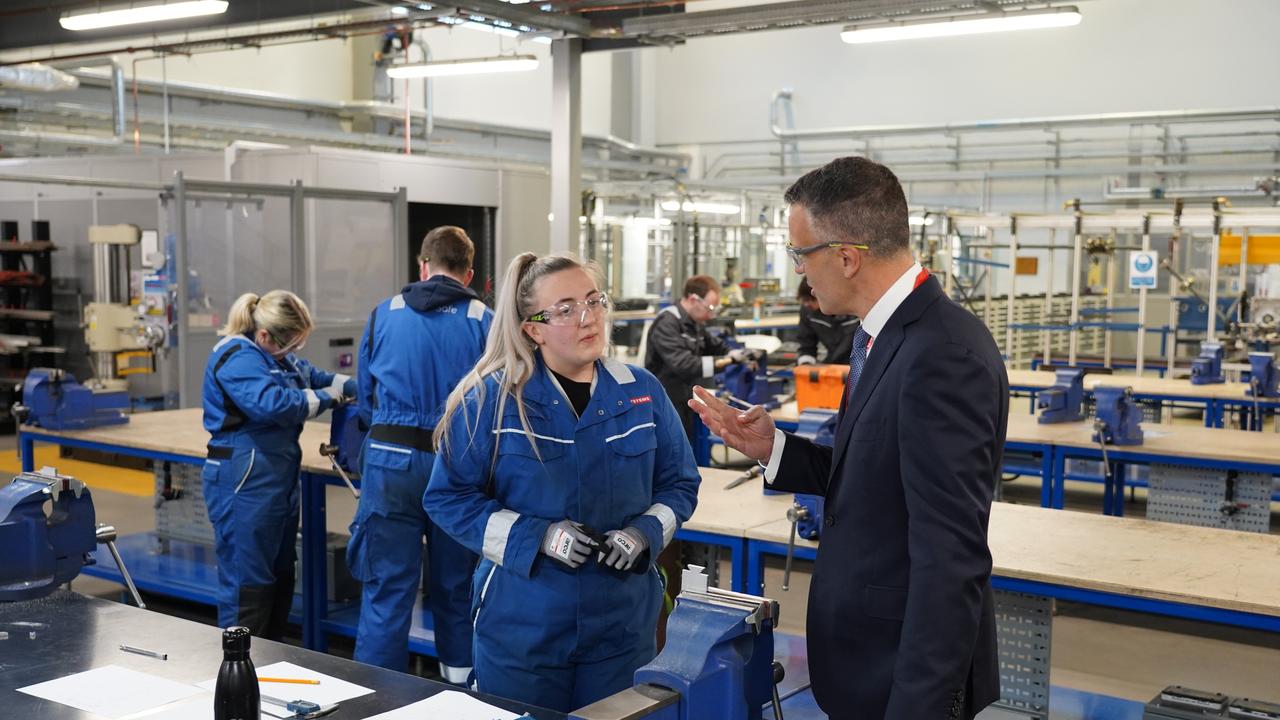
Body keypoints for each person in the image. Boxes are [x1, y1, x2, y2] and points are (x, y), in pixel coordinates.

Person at [689, 157, 1008, 720]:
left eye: (800, 254)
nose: (799, 274)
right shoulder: (881, 337)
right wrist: (774, 449)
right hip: (866, 663)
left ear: (845, 256)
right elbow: (879, 474)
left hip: (900, 680)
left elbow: (949, 560)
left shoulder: (941, 354)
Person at [424, 253, 700, 712]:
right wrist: (540, 537)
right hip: (523, 630)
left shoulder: (642, 391)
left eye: (594, 301)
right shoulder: (491, 401)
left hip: (622, 629)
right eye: (566, 309)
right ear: (533, 328)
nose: (588, 318)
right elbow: (449, 498)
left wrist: (644, 534)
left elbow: (680, 485)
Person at [348, 226, 493, 679]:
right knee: (456, 588)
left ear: (422, 265)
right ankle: (463, 696)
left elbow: (365, 398)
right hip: (455, 465)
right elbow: (497, 399)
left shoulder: (383, 314)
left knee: (387, 586)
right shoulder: (481, 318)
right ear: (468, 273)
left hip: (389, 462)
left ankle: (375, 697)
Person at [202, 290, 354, 638]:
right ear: (266, 335)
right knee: (248, 578)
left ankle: (273, 662)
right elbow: (276, 404)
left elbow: (316, 377)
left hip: (275, 476)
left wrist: (365, 388)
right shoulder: (237, 357)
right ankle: (239, 671)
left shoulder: (277, 357)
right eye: (292, 345)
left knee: (282, 572)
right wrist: (332, 398)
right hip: (243, 478)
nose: (295, 353)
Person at [644, 274, 749, 440]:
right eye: (710, 308)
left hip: (685, 399)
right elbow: (685, 365)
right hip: (664, 403)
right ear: (693, 299)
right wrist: (728, 361)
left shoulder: (695, 323)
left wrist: (733, 352)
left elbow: (715, 345)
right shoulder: (667, 323)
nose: (711, 315)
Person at [795, 277, 860, 365]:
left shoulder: (854, 313)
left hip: (856, 366)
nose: (807, 304)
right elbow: (806, 344)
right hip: (832, 366)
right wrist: (805, 364)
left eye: (812, 299)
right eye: (805, 300)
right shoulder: (808, 312)